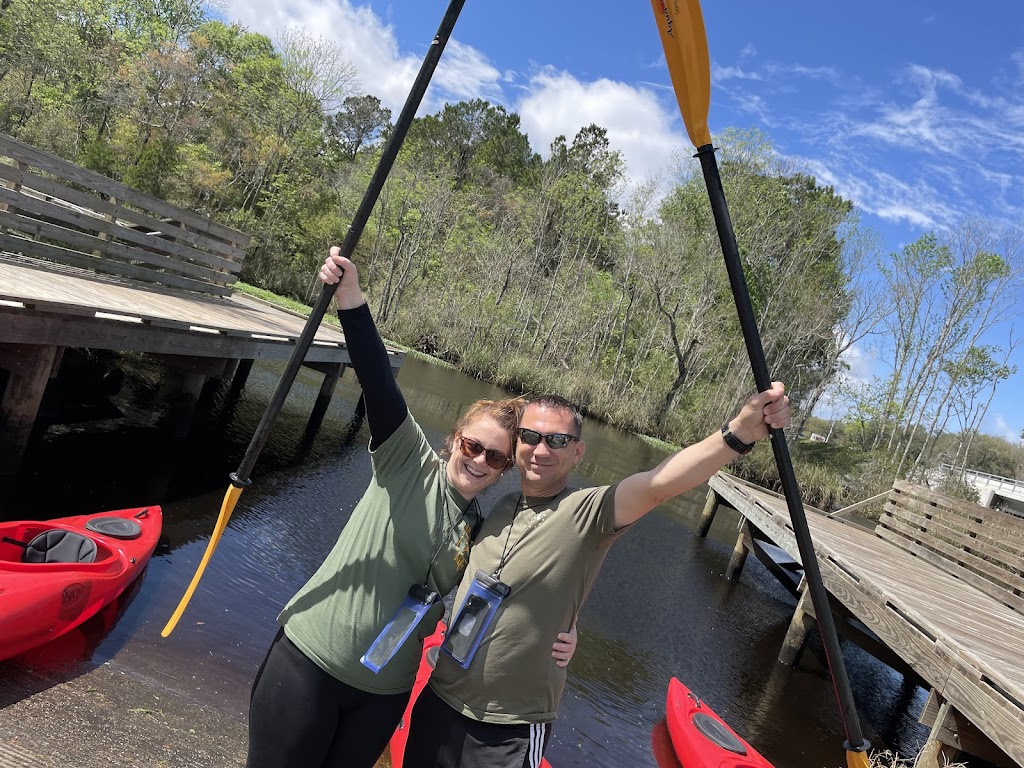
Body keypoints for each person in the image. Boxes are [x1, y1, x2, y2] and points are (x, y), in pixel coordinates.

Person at [245, 248, 577, 768]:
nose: (479, 460)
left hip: (383, 695)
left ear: (505, 467)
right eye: (472, 445)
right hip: (311, 663)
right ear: (455, 440)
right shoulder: (406, 460)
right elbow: (378, 378)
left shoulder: (483, 528)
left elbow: (525, 587)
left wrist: (564, 635)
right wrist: (350, 298)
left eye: (495, 456)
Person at [404, 388, 791, 768]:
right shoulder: (503, 505)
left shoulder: (587, 513)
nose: (541, 450)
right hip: (441, 700)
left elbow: (659, 483)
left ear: (578, 451)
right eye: (531, 437)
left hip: (508, 730)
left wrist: (737, 434)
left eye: (557, 440)